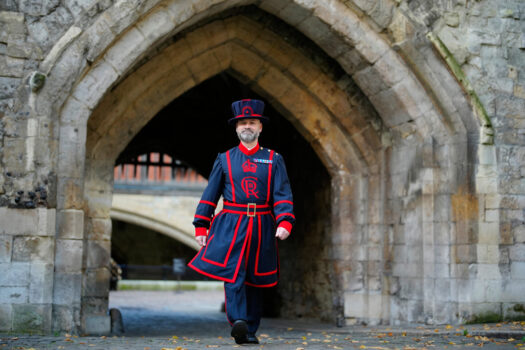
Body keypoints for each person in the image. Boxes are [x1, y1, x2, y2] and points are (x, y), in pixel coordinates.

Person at [188, 99, 295, 344]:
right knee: (233, 274)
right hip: (231, 224)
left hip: (262, 225)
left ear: (260, 127)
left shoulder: (273, 159)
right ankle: (239, 321)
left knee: (255, 278)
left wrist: (285, 221)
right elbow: (210, 194)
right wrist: (201, 225)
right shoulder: (224, 159)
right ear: (236, 128)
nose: (247, 126)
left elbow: (282, 193)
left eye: (252, 122)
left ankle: (250, 330)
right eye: (243, 123)